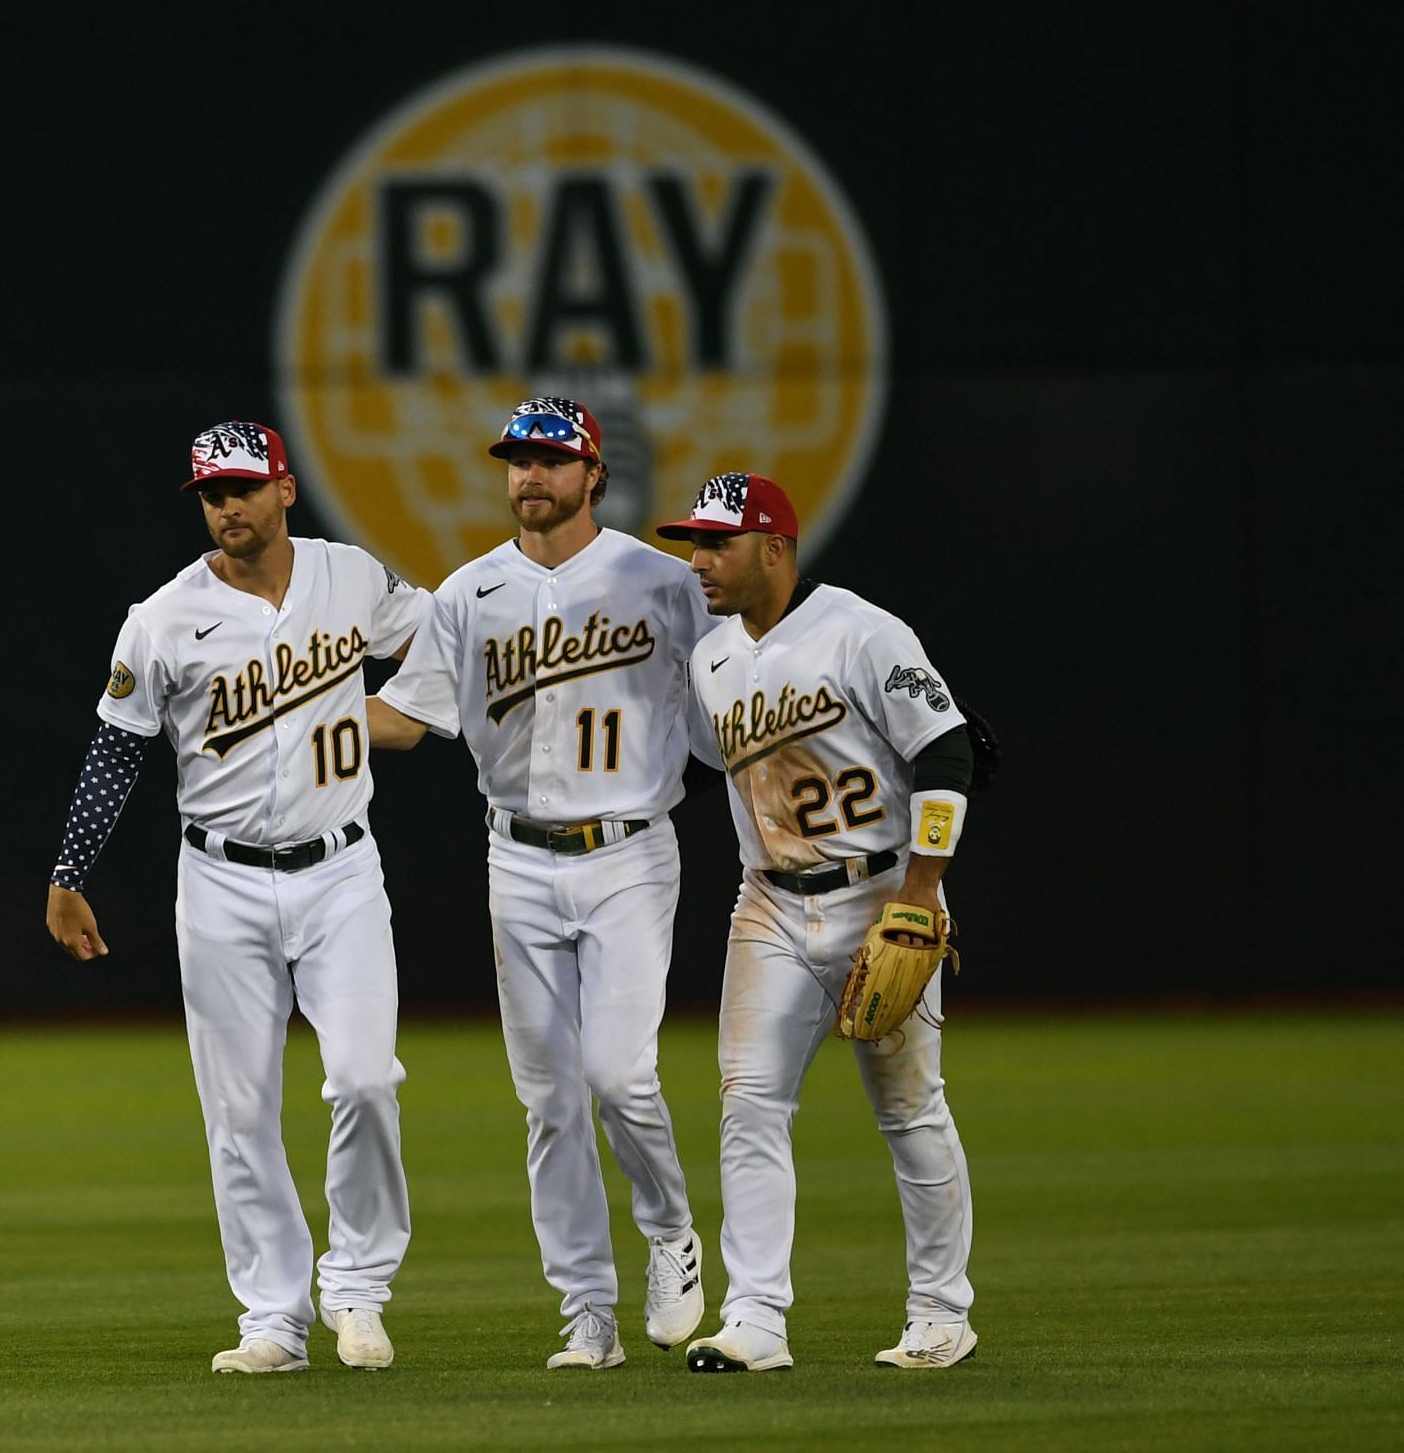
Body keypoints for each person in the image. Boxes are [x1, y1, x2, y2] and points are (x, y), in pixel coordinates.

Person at [44, 421, 431, 1375]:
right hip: (219, 882)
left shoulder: (349, 577)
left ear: (286, 490)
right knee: (240, 1110)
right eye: (212, 492)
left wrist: (413, 717)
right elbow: (116, 747)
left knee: (367, 1079)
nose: (227, 506)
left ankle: (359, 1288)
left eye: (244, 487)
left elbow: (444, 634)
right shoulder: (165, 615)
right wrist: (68, 874)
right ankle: (273, 1319)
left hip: (342, 871)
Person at [365, 396, 714, 1370]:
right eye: (518, 459)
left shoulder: (664, 582)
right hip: (515, 856)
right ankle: (587, 1313)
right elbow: (405, 714)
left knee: (618, 1071)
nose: (530, 476)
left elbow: (737, 691)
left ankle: (672, 1230)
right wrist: (312, 720)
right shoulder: (469, 593)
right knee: (551, 1100)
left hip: (630, 852)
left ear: (594, 474)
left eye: (551, 460)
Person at [655, 472, 979, 1374]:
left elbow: (949, 754)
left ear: (775, 549)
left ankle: (941, 1313)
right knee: (749, 1106)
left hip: (884, 896)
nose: (698, 561)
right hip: (768, 902)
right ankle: (755, 1319)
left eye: (716, 544)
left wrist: (921, 889)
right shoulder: (711, 662)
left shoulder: (863, 631)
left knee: (911, 1111)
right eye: (694, 543)